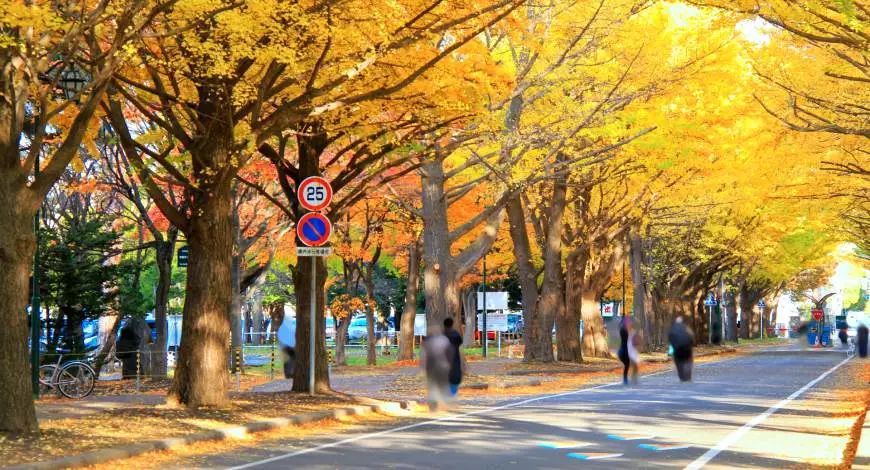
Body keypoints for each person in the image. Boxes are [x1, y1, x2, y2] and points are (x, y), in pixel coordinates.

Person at [421, 329, 451, 410]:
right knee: (442, 384)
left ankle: (433, 404)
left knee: (432, 386)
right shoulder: (445, 340)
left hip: (430, 367)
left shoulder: (427, 343)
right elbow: (449, 353)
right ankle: (445, 400)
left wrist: (423, 367)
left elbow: (423, 356)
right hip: (442, 366)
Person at [668, 316, 695, 382]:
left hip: (677, 349)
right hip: (687, 348)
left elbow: (670, 341)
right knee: (688, 361)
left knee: (678, 362)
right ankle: (688, 376)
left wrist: (670, 352)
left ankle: (682, 376)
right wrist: (691, 346)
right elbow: (691, 338)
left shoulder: (672, 329)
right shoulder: (687, 328)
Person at [443, 318, 464, 396]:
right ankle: (451, 394)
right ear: (452, 324)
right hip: (455, 358)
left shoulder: (442, 334)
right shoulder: (456, 334)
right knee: (454, 377)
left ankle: (446, 393)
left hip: (443, 359)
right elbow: (460, 346)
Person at [618, 317, 639, 385]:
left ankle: (626, 379)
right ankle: (627, 379)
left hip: (623, 350)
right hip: (625, 350)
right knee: (628, 364)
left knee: (627, 365)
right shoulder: (625, 331)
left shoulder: (623, 330)